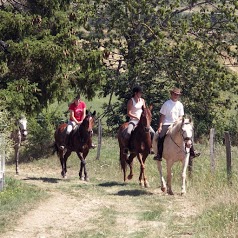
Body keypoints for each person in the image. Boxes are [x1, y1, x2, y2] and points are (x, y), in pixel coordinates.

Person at [153, 87, 200, 160]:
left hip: (177, 123)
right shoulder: (166, 104)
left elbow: (181, 116)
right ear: (171, 94)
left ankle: (192, 151)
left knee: (187, 133)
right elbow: (162, 116)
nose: (176, 96)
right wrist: (160, 126)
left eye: (177, 95)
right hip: (167, 123)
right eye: (175, 94)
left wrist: (177, 121)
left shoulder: (180, 105)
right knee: (161, 136)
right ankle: (159, 154)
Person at [124, 85, 155, 154]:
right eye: (140, 93)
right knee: (128, 132)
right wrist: (136, 117)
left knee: (153, 132)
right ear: (135, 93)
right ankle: (126, 147)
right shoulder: (131, 101)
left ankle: (151, 147)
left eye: (141, 93)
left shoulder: (142, 100)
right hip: (133, 120)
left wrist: (147, 115)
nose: (141, 94)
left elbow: (144, 110)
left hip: (142, 120)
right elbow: (128, 113)